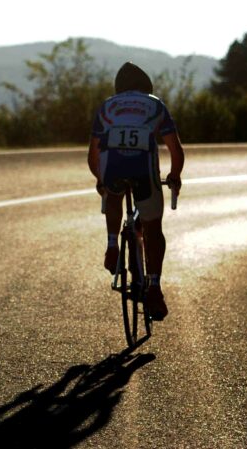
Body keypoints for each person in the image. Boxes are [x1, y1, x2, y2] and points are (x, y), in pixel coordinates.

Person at [87, 62, 184, 321]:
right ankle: (154, 287)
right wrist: (174, 175)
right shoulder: (155, 104)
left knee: (112, 193)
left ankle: (111, 245)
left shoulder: (107, 106)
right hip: (144, 169)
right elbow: (175, 149)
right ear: (146, 86)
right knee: (153, 227)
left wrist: (100, 180)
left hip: (113, 167)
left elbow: (93, 155)